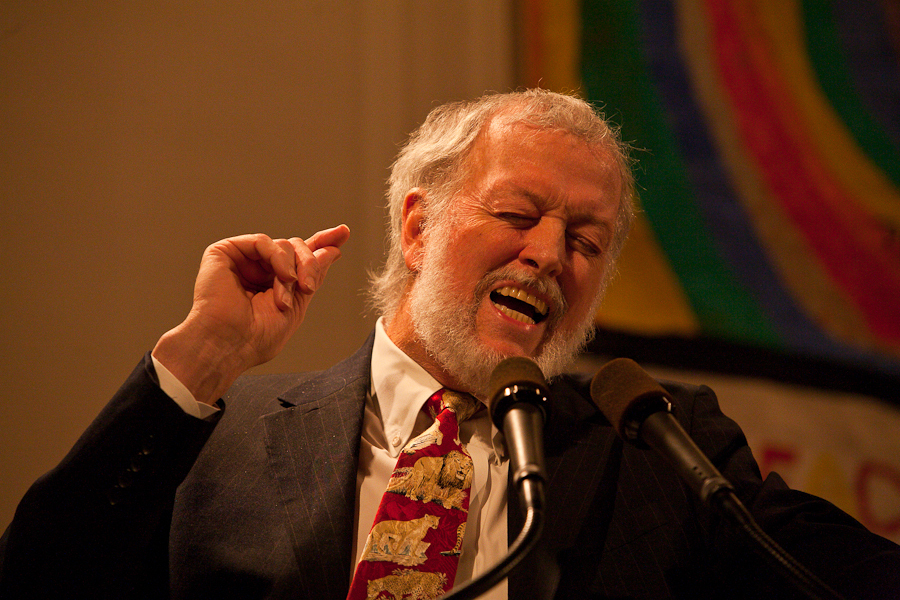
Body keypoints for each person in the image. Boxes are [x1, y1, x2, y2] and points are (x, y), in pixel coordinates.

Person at [0, 89, 898, 600]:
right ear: (419, 226)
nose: (549, 255)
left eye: (586, 241)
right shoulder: (219, 440)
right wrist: (200, 367)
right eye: (517, 214)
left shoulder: (650, 445)